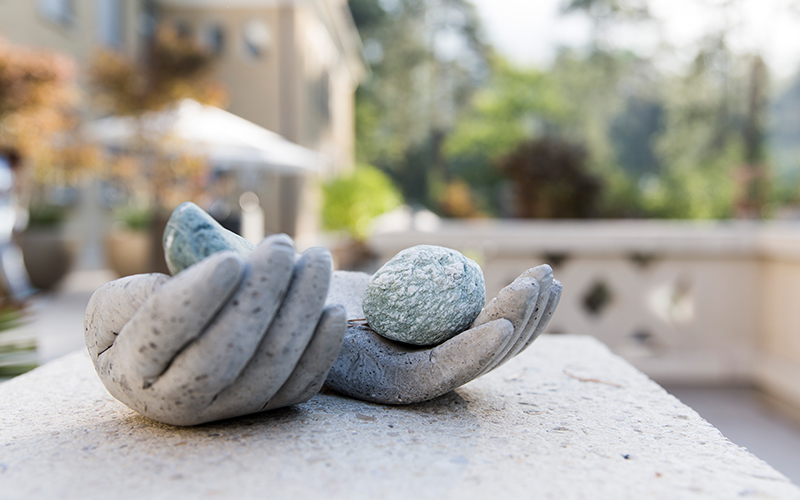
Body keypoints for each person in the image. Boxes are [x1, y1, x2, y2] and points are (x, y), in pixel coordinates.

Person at [0, 148, 34, 301]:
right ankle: (22, 294)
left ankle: (22, 293)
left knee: (11, 257)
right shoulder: (4, 169)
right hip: (2, 225)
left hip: (5, 223)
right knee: (9, 258)